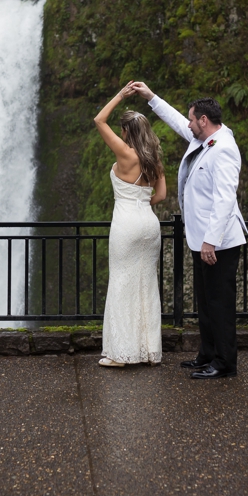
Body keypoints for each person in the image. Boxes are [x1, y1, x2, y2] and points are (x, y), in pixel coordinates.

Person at [129, 83, 246, 379]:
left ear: (204, 121)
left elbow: (225, 199)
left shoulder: (225, 150)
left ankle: (224, 363)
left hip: (218, 244)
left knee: (219, 304)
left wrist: (210, 241)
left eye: (193, 119)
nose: (189, 123)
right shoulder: (204, 140)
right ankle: (207, 355)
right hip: (201, 241)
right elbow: (178, 121)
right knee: (206, 304)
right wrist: (151, 97)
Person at [89, 81, 166, 367]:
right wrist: (141, 203)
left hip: (126, 224)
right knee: (146, 285)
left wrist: (121, 94)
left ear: (126, 132)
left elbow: (99, 119)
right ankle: (148, 352)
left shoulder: (125, 153)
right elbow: (161, 195)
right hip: (149, 224)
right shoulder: (153, 160)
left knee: (121, 284)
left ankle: (120, 355)